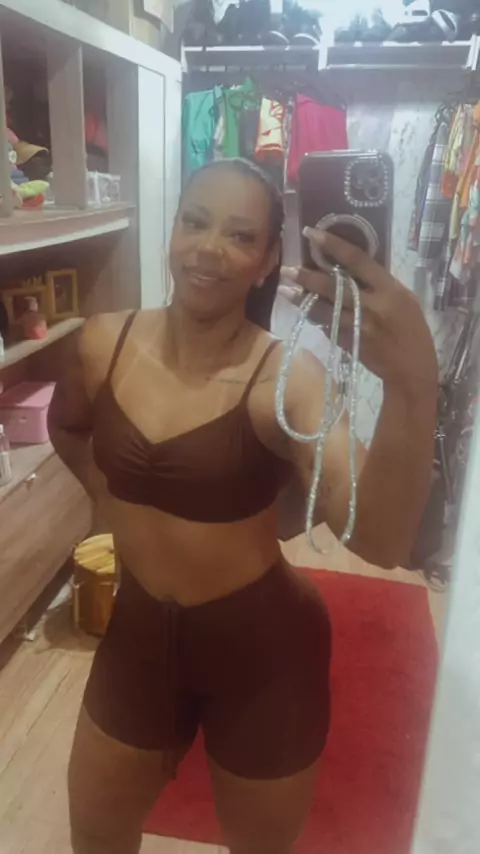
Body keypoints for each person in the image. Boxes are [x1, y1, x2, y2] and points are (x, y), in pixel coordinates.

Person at [48, 157, 437, 854]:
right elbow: (68, 427)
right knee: (95, 837)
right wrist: (114, 504)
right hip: (138, 638)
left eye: (239, 235)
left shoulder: (288, 382)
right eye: (195, 223)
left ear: (266, 261)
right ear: (172, 230)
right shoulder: (103, 342)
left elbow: (380, 542)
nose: (209, 249)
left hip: (264, 658)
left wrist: (413, 385)